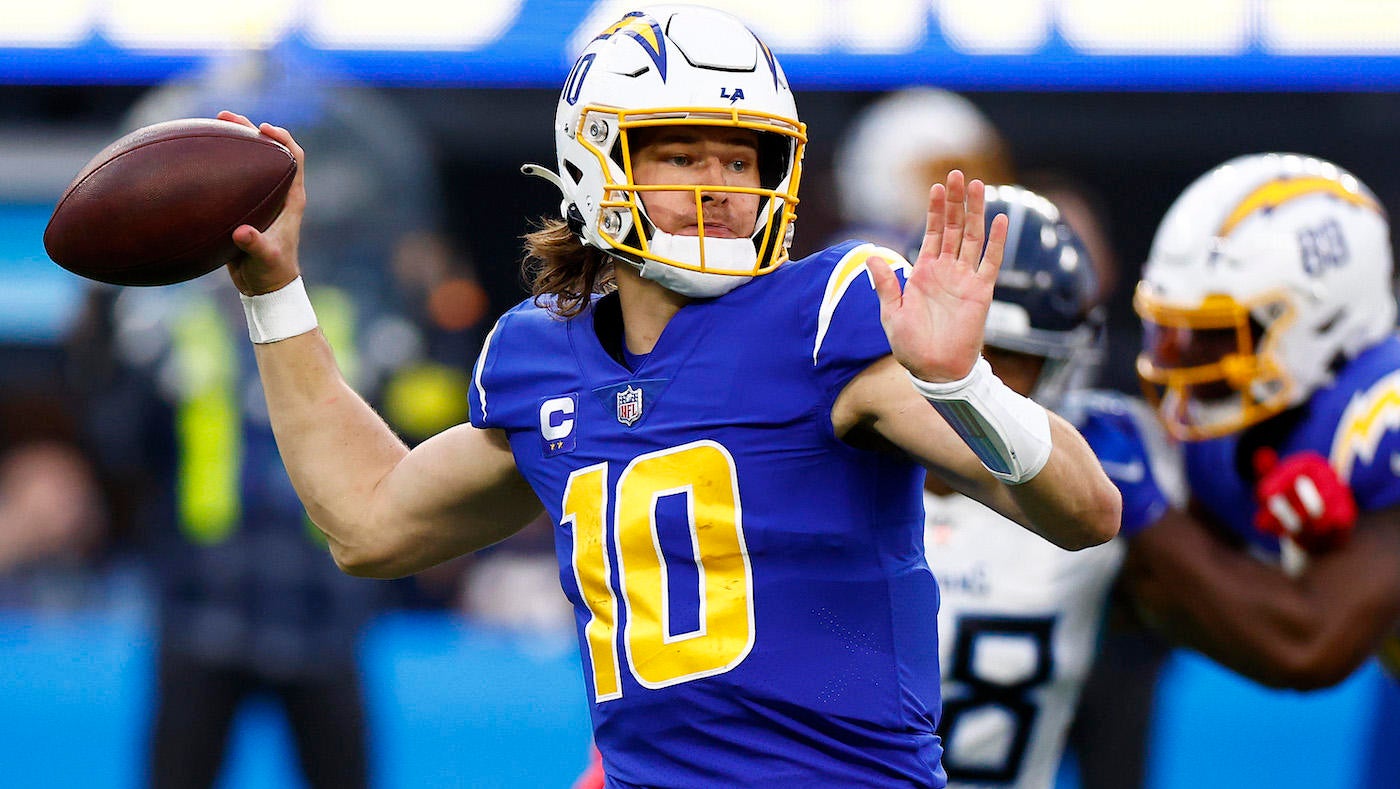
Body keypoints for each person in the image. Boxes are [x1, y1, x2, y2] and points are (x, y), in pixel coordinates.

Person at [216, 5, 1119, 786]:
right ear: (596, 162)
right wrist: (274, 292)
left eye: (740, 160)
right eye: (681, 154)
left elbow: (1088, 508)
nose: (717, 188)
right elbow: (368, 524)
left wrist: (963, 383)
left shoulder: (832, 316)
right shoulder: (543, 360)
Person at [73, 45, 471, 789]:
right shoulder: (166, 329)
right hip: (200, 613)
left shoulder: (358, 323)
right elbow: (118, 443)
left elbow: (430, 424)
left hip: (323, 612)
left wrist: (441, 315)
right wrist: (99, 326)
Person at [1108, 152, 1400, 785]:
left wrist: (1146, 509)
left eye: (1220, 333)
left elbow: (1308, 648)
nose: (1186, 359)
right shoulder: (1240, 427)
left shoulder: (1383, 417)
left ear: (1324, 316)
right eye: (1176, 332)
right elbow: (1170, 599)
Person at [917, 185, 1180, 788]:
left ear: (1063, 365)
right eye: (960, 341)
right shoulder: (831, 462)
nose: (973, 375)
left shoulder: (1102, 484)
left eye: (1006, 355)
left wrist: (1151, 515)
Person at [831, 87, 1015, 250]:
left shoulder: (995, 246)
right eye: (946, 172)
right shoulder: (854, 265)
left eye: (976, 170)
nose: (969, 185)